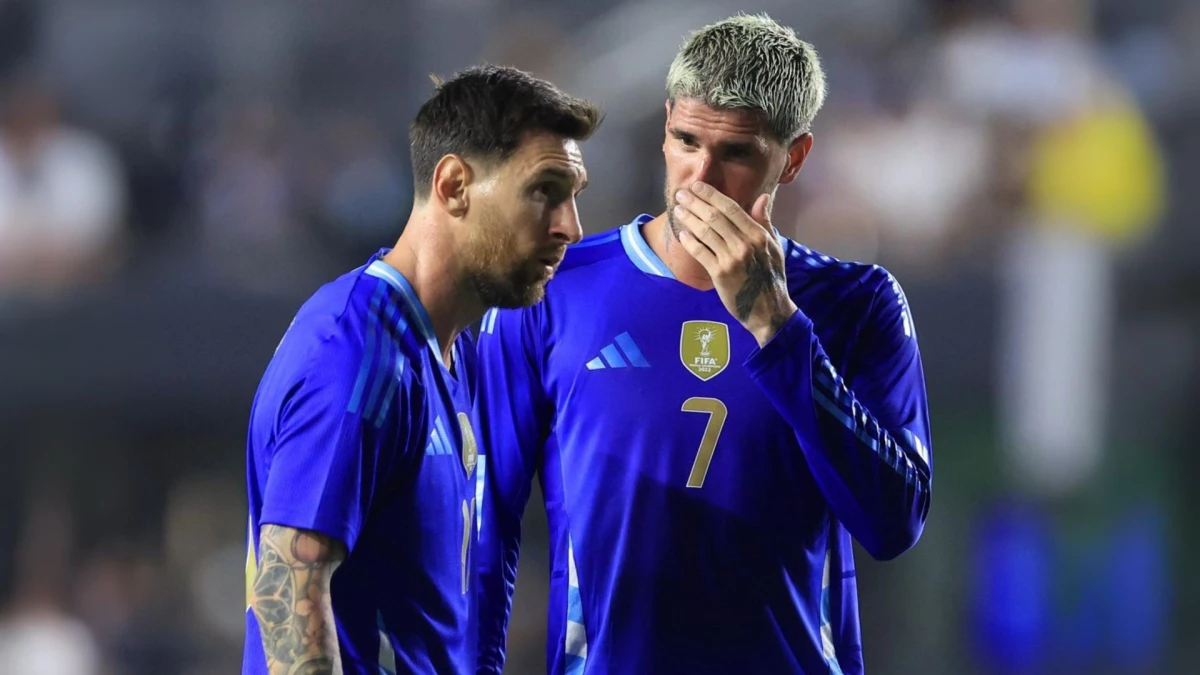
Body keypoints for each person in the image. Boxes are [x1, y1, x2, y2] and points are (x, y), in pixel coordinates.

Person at [475, 15, 932, 675]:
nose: (701, 175)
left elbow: (894, 523)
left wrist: (779, 328)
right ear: (665, 127)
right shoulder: (555, 289)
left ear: (794, 157)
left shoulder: (858, 303)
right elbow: (481, 524)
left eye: (737, 153)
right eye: (687, 140)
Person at [242, 65, 600, 675]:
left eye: (573, 196)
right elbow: (287, 587)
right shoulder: (357, 357)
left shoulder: (455, 351)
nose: (570, 226)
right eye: (545, 190)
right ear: (455, 184)